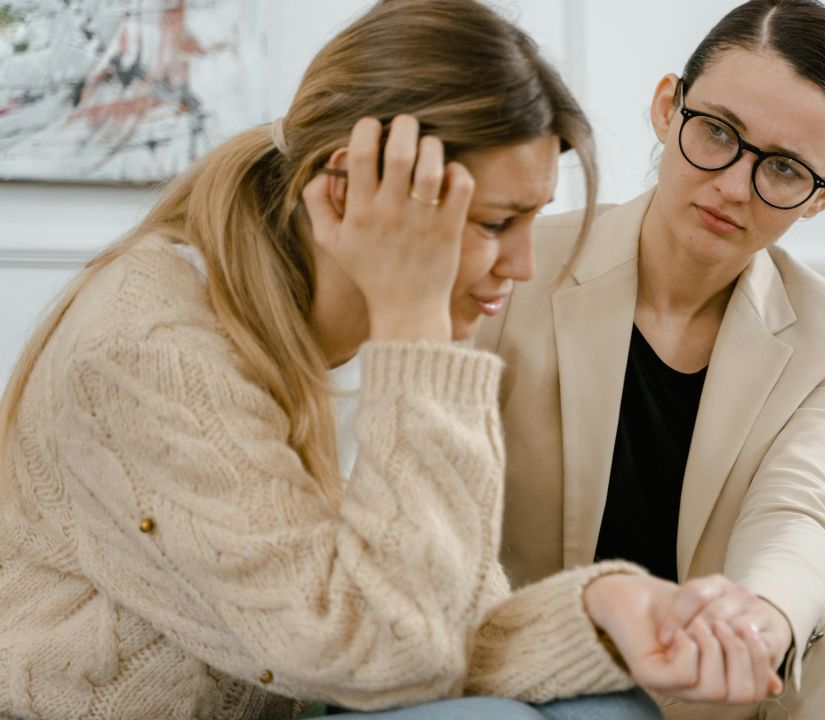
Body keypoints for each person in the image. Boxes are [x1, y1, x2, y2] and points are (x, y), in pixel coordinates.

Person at [0, 1, 782, 718]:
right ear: (348, 192)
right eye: (495, 222)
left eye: (530, 220)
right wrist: (418, 334)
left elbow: (436, 615)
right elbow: (386, 652)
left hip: (336, 672)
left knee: (622, 705)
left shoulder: (371, 322)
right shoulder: (153, 349)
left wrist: (609, 606)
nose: (520, 264)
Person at [475, 0, 825, 717]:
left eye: (783, 169)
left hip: (708, 670)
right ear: (666, 107)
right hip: (532, 652)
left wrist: (760, 618)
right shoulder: (516, 263)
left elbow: (801, 515)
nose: (734, 186)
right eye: (716, 132)